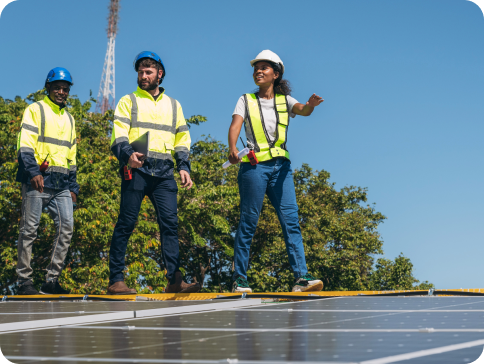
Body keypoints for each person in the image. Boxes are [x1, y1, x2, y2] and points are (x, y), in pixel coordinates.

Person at [228, 50, 325, 293]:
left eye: (264, 68)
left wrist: (310, 106)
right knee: (249, 221)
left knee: (291, 221)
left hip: (282, 168)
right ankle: (239, 278)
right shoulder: (245, 100)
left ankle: (301, 278)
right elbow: (235, 125)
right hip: (254, 167)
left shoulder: (285, 100)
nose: (258, 71)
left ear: (276, 74)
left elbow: (302, 110)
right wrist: (231, 147)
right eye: (256, 68)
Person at [108, 51, 200, 295]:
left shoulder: (174, 105)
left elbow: (182, 138)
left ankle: (175, 280)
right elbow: (118, 134)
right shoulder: (128, 101)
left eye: (148, 72)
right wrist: (128, 155)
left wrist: (183, 166)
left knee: (170, 224)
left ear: (160, 74)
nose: (143, 76)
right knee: (126, 223)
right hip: (136, 170)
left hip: (164, 173)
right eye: (140, 72)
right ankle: (116, 280)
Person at [16, 67, 79, 295]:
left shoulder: (70, 119)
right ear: (48, 88)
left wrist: (73, 186)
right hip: (38, 181)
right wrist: (33, 172)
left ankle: (51, 281)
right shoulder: (36, 110)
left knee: (66, 228)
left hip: (61, 184)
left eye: (65, 89)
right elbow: (25, 145)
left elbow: (72, 155)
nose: (62, 92)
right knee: (29, 230)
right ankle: (25, 281)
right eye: (57, 88)